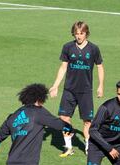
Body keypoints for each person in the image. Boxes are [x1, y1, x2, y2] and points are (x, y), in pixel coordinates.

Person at [49, 21, 104, 157]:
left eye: (82, 33)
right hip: (69, 90)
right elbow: (63, 67)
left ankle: (88, 147)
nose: (79, 36)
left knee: (87, 121)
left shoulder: (93, 49)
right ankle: (69, 147)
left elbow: (100, 67)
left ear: (86, 33)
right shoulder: (68, 47)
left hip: (85, 91)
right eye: (76, 33)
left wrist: (100, 85)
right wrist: (55, 85)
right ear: (73, 33)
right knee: (64, 118)